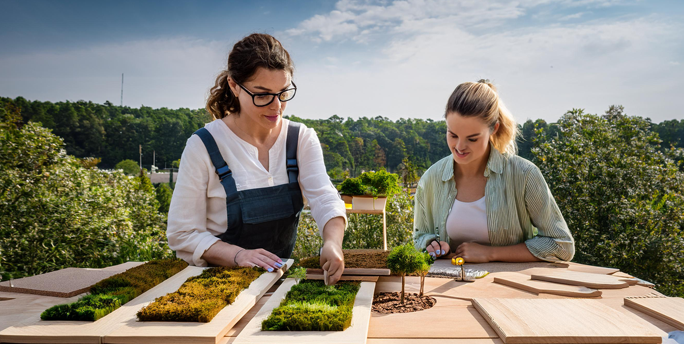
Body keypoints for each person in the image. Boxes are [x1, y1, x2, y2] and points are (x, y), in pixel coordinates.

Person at [167, 33, 347, 284]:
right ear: (233, 85)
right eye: (262, 95)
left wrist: (332, 243)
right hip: (214, 285)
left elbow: (325, 198)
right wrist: (238, 255)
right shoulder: (204, 145)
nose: (276, 106)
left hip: (276, 283)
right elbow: (182, 233)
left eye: (283, 93)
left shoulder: (300, 138)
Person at [413, 80, 574, 263]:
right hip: (445, 288)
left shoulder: (524, 174)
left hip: (508, 289)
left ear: (493, 129)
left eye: (472, 139)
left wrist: (491, 254)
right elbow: (419, 238)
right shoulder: (431, 179)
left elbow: (561, 245)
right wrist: (432, 246)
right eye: (453, 135)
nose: (459, 147)